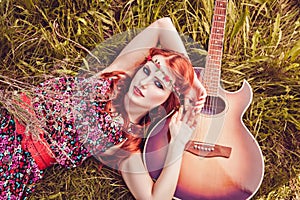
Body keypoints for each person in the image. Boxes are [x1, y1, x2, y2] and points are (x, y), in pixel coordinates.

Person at [0, 17, 206, 199]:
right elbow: (163, 25)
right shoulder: (113, 77)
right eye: (146, 71)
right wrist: (194, 84)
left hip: (12, 160)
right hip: (8, 114)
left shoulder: (122, 144)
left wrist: (177, 147)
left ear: (167, 100)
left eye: (159, 84)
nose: (144, 83)